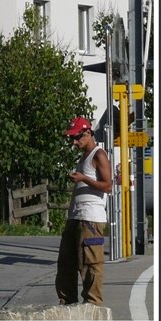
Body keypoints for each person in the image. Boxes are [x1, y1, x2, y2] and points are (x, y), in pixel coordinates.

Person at [55, 116, 112, 306]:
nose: (74, 141)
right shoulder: (83, 156)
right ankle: (67, 304)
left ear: (88, 133)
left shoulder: (99, 154)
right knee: (66, 263)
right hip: (76, 216)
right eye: (72, 137)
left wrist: (83, 179)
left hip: (91, 219)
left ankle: (93, 307)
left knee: (90, 264)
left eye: (78, 137)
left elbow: (108, 185)